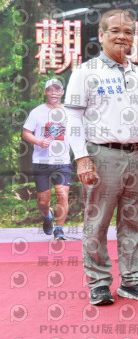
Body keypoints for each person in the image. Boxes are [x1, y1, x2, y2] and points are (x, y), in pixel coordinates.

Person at [65, 9, 138, 305]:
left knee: (134, 220)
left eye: (128, 31)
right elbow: (72, 117)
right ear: (101, 35)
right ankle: (99, 282)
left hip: (136, 154)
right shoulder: (86, 72)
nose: (122, 36)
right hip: (102, 155)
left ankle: (133, 280)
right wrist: (82, 158)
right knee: (97, 221)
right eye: (115, 30)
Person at [22, 78, 72, 240]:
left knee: (62, 195)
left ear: (62, 92)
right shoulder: (37, 112)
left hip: (62, 161)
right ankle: (47, 216)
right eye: (50, 90)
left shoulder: (70, 112)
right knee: (43, 201)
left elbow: (77, 134)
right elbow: (26, 132)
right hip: (41, 161)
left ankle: (59, 229)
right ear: (45, 92)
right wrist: (38, 141)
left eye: (57, 90)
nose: (53, 93)